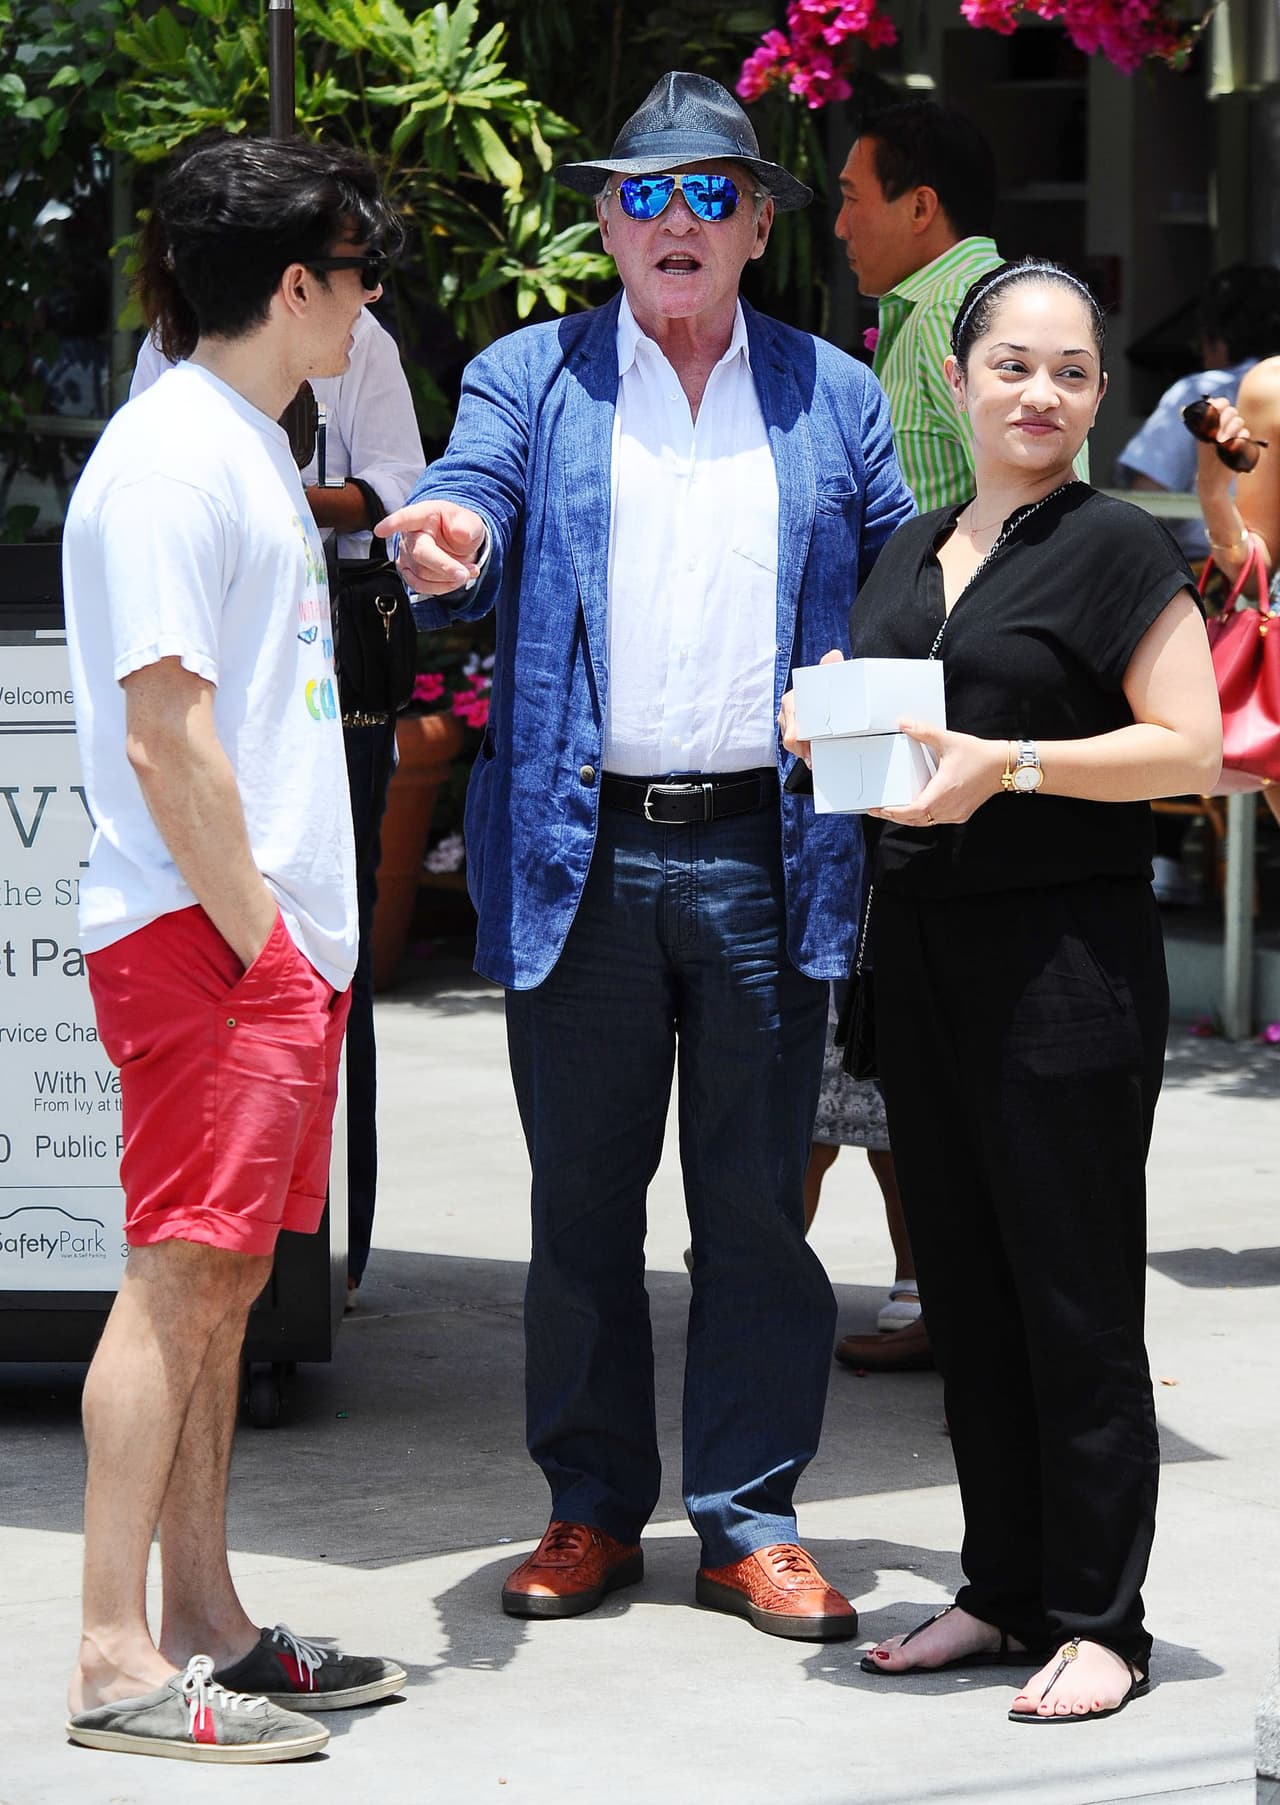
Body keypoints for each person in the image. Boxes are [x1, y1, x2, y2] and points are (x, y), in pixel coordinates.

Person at [380, 70, 914, 1639]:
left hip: (768, 848)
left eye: (708, 196)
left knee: (756, 1212)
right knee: (580, 1205)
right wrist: (453, 539)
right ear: (608, 226)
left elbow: (905, 572)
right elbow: (470, 493)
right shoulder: (530, 373)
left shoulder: (834, 393)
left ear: (754, 226)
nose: (676, 221)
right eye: (645, 195)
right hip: (583, 852)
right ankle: (590, 1507)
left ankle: (752, 1519)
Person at [784, 258, 1220, 1720]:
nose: (1042, 393)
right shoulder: (910, 549)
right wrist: (821, 728)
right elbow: (904, 735)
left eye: (1072, 372)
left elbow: (1189, 748)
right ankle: (1000, 1589)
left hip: (1063, 963)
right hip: (919, 952)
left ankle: (1100, 1619)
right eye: (1014, 366)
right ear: (955, 380)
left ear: (1097, 397)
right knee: (965, 1292)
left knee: (1071, 1294)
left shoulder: (1115, 547)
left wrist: (1013, 766)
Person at [61, 134, 407, 1763]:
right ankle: (113, 1658)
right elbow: (165, 736)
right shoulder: (170, 462)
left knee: (229, 1286)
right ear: (291, 284)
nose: (370, 303)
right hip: (210, 940)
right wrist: (266, 946)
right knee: (176, 1281)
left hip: (261, 942)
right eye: (359, 273)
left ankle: (204, 1622)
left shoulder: (246, 446)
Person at [131, 299, 426, 1304]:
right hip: (219, 666)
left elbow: (397, 487)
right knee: (218, 952)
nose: (363, 290)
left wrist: (288, 498)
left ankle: (328, 1254)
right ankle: (231, 1245)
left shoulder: (361, 340)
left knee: (337, 951)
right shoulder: (174, 348)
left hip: (334, 661)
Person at [819, 101, 1003, 1370]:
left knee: (871, 1006)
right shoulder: (951, 305)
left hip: (928, 713)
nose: (837, 222)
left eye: (852, 195)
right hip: (927, 704)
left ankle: (918, 1280)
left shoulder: (950, 317)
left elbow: (987, 520)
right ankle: (925, 1278)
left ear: (919, 205)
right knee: (871, 1017)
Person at [1115, 263, 1280, 562]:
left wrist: (1211, 487)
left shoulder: (1198, 392)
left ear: (1217, 341)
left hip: (1212, 569)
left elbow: (1147, 499)